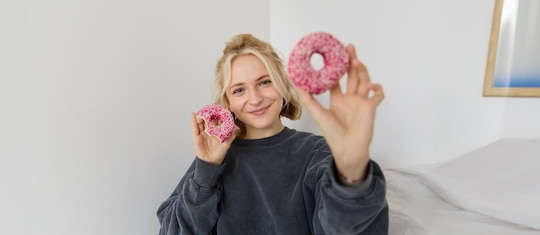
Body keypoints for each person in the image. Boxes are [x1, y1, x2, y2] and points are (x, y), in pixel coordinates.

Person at [157, 33, 388, 234]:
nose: (256, 98)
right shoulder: (212, 163)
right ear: (227, 102)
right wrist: (205, 171)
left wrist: (351, 170)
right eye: (239, 89)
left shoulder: (317, 153)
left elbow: (346, 228)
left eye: (265, 82)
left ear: (282, 85)